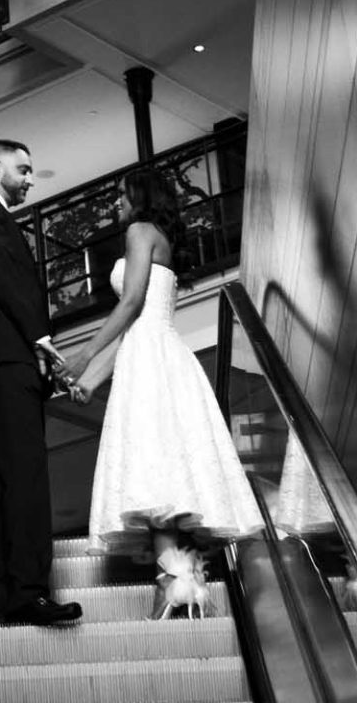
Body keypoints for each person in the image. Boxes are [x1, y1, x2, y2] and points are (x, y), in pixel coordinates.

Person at [70, 167, 265, 613]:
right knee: (161, 473)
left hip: (149, 359)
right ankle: (180, 580)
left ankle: (174, 581)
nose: (117, 203)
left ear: (141, 196)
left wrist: (82, 356)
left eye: (121, 194)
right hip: (160, 354)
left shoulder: (140, 230)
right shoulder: (160, 236)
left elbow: (132, 302)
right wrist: (92, 380)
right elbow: (135, 324)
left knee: (151, 471)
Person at [0, 138, 84, 628]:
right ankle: (26, 592)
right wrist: (40, 337)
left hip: (2, 362)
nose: (30, 178)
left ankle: (5, 598)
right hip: (3, 361)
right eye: (23, 170)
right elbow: (5, 275)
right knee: (25, 477)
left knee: (9, 480)